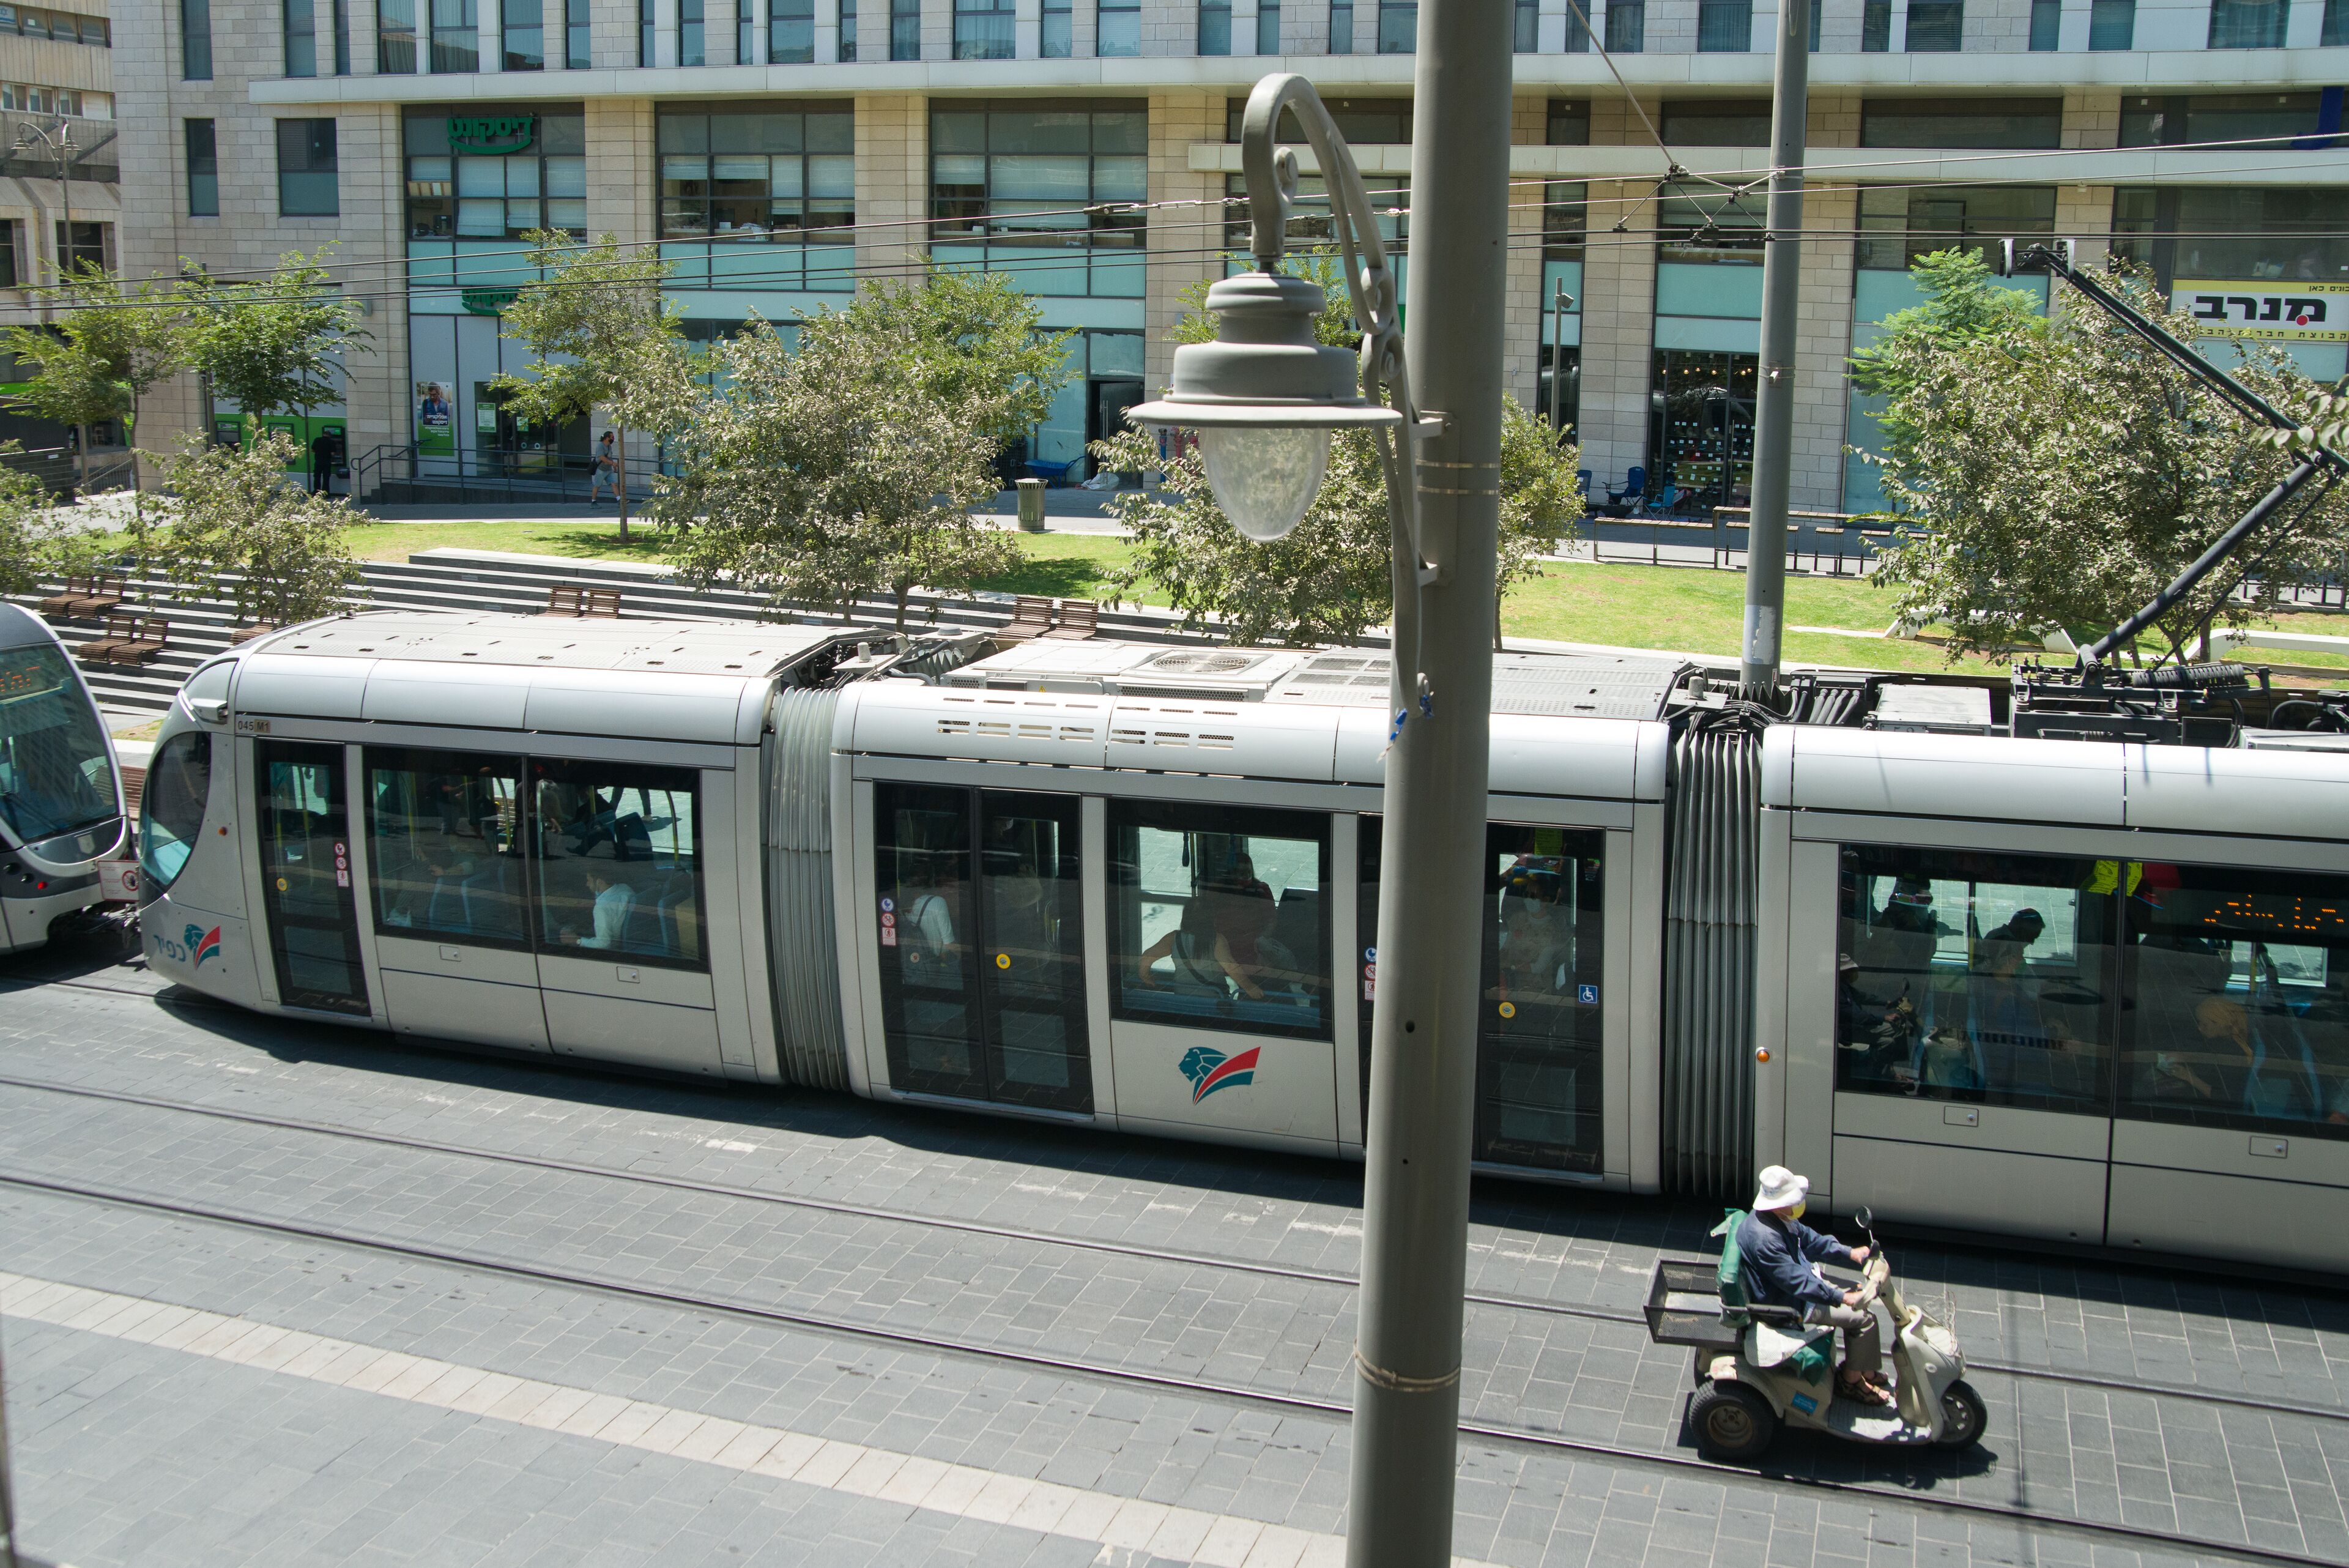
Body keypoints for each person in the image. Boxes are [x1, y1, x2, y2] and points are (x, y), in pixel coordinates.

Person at [1735, 1166, 1888, 1406]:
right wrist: (1840, 1297)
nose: (1799, 1204)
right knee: (1864, 1318)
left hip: (1804, 1283)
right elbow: (1797, 1283)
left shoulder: (1780, 1218)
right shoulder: (1765, 1240)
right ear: (1780, 1203)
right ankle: (1851, 1383)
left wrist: (1850, 1253)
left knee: (1860, 1292)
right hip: (1792, 1304)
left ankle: (1864, 1371)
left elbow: (1810, 1240)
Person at [568, 865, 634, 951]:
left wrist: (577, 941)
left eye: (589, 880)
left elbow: (603, 944)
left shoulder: (601, 907)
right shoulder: (625, 888)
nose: (587, 884)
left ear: (599, 882)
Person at [590, 431, 620, 503]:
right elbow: (602, 458)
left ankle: (620, 500)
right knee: (597, 486)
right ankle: (593, 501)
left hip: (608, 469)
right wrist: (613, 463)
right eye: (612, 437)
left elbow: (610, 457)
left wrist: (614, 466)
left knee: (614, 484)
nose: (613, 438)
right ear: (607, 438)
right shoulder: (600, 446)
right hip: (601, 470)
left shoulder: (609, 446)